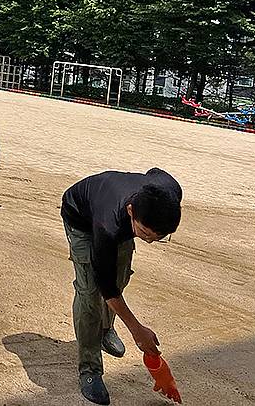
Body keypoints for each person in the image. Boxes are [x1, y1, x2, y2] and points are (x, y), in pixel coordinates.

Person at [60, 168, 183, 405]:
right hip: (82, 219)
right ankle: (89, 370)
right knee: (90, 294)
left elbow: (155, 172)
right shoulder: (106, 226)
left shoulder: (169, 193)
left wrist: (144, 228)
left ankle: (105, 329)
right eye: (145, 234)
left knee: (122, 276)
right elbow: (107, 288)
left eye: (157, 237)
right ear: (130, 211)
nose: (149, 240)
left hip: (119, 212)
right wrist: (137, 330)